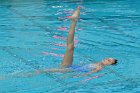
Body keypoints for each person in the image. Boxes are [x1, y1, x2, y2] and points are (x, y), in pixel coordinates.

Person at [34, 6, 118, 77]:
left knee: (70, 48)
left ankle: (74, 21)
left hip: (68, 70)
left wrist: (76, 76)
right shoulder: (97, 63)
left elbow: (89, 74)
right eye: (108, 58)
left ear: (109, 65)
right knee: (70, 47)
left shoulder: (100, 67)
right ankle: (74, 21)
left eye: (109, 60)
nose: (107, 59)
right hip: (71, 67)